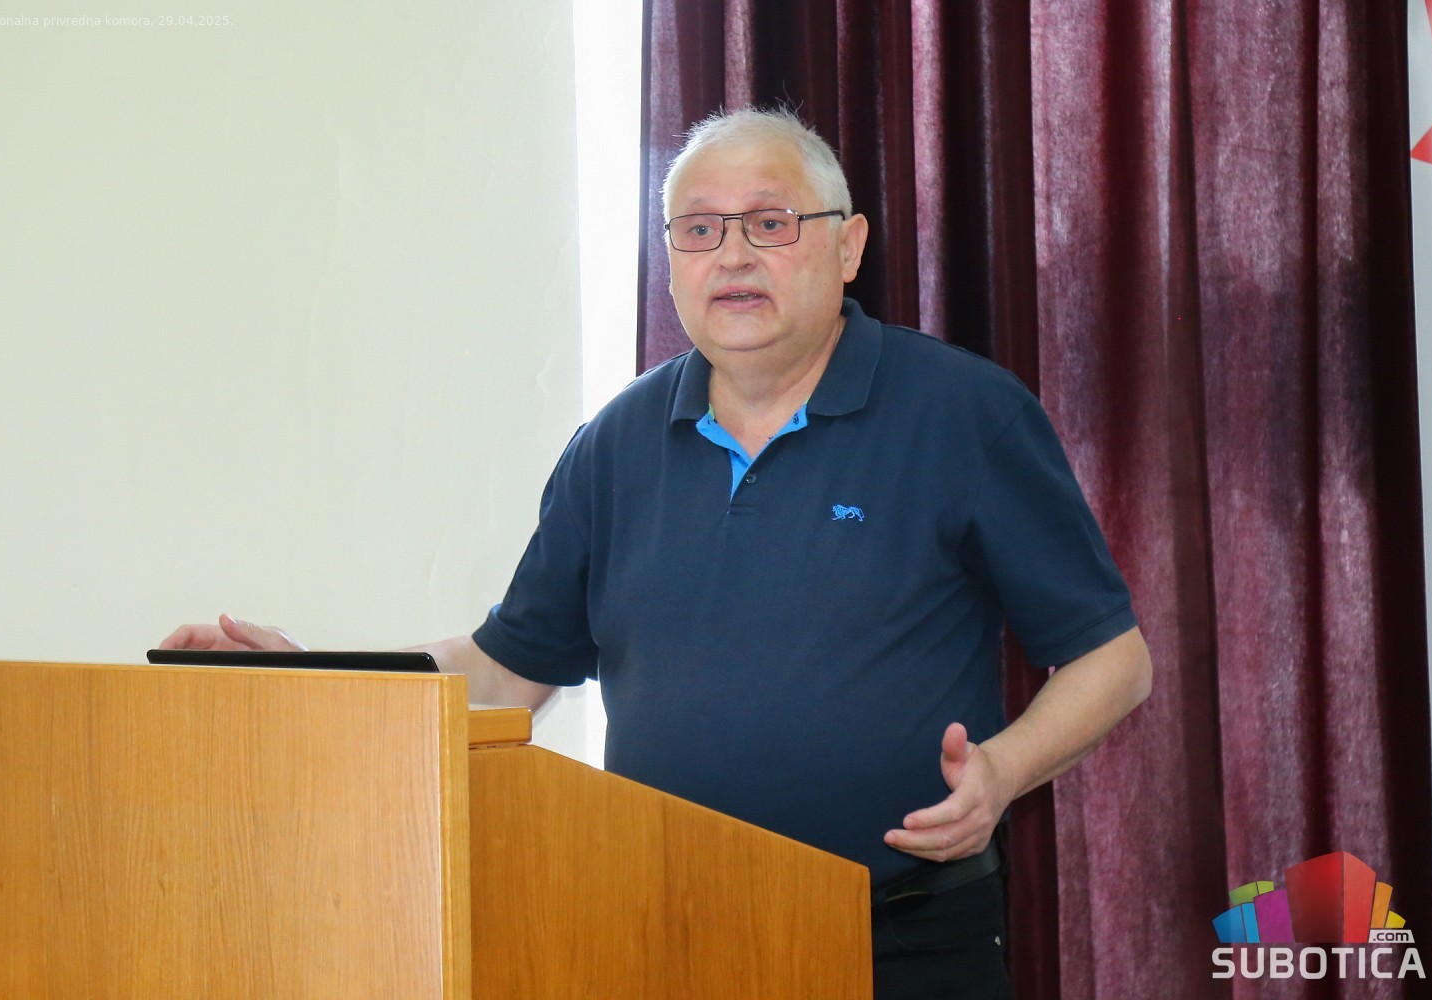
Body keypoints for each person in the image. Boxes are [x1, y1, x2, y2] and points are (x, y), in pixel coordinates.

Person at [163, 107, 1151, 1000]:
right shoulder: (616, 443)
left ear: (848, 246)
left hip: (896, 940)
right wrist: (323, 682)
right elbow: (507, 671)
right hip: (661, 928)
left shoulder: (964, 415)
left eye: (770, 222)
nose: (733, 255)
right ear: (671, 258)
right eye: (699, 229)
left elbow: (1113, 658)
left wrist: (1000, 770)